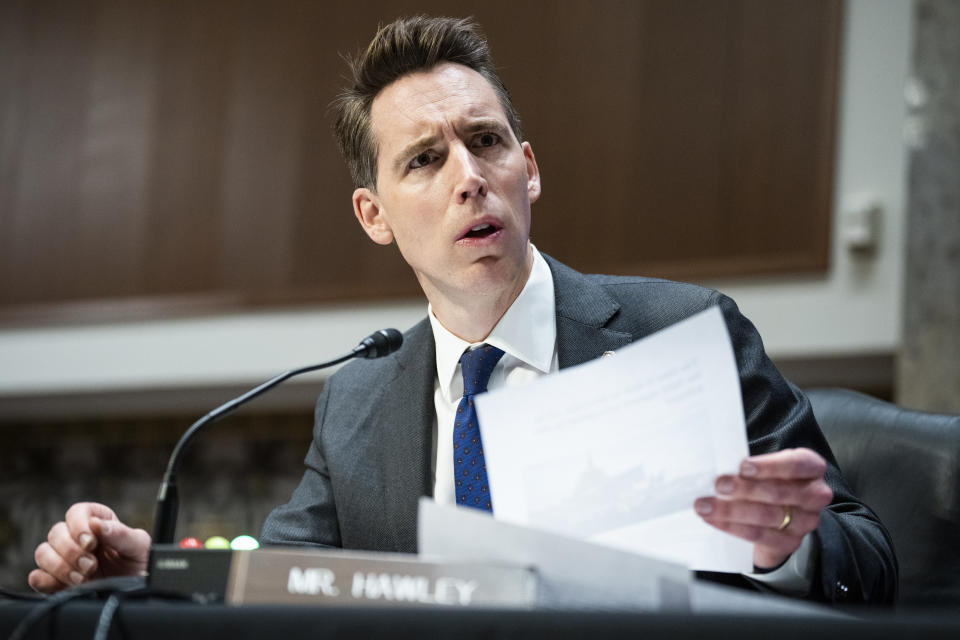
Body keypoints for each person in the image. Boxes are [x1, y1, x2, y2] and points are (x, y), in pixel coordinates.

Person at [29, 16, 896, 605]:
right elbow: (291, 577)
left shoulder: (683, 332)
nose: (467, 177)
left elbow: (874, 556)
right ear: (374, 215)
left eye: (484, 142)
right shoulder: (358, 405)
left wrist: (785, 548)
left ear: (529, 167)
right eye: (423, 160)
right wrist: (157, 569)